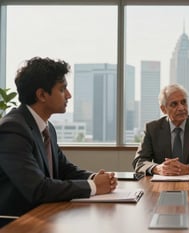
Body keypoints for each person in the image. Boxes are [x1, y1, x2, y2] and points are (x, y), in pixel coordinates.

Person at [0, 57, 117, 227]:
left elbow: (64, 169)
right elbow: (38, 188)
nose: (69, 95)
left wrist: (97, 178)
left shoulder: (48, 128)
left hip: (44, 216)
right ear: (41, 95)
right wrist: (93, 186)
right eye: (62, 89)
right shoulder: (13, 129)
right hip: (17, 223)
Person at [133, 83, 189, 176]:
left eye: (183, 102)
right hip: (161, 184)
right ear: (163, 109)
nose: (181, 108)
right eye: (174, 104)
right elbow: (139, 161)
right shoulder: (152, 129)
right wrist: (158, 168)